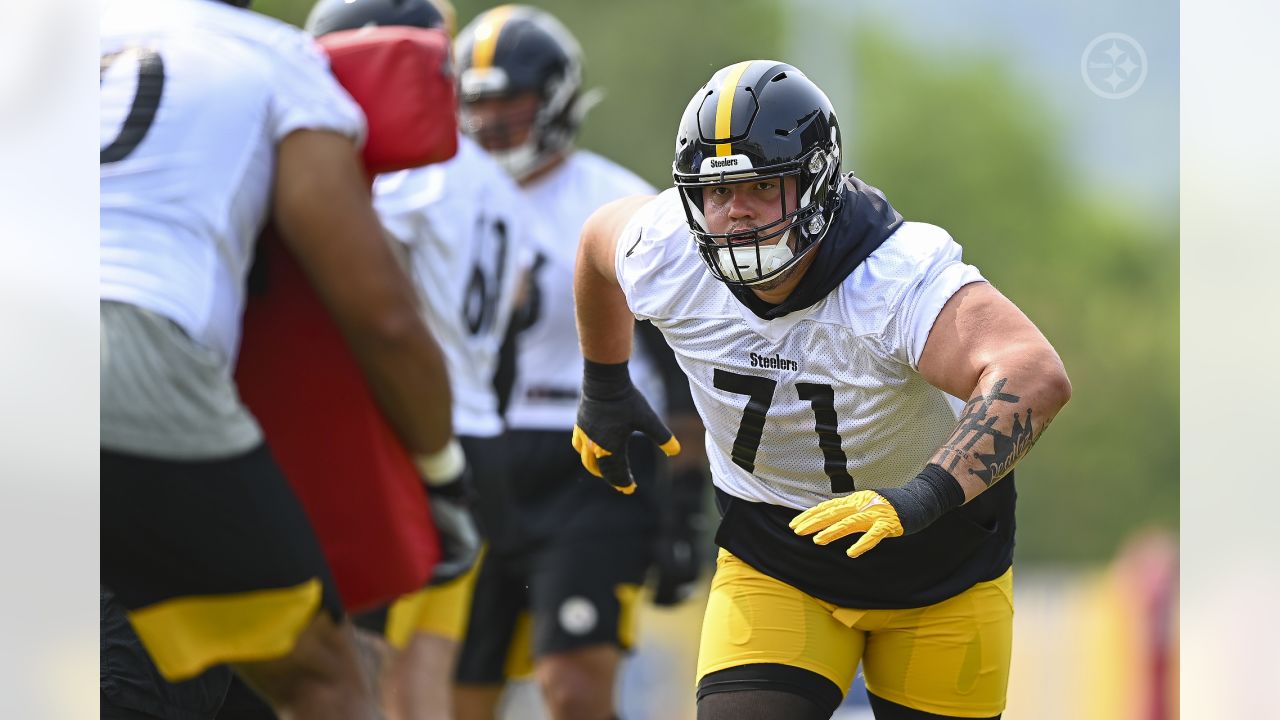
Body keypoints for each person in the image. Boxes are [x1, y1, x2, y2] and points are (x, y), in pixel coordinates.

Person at [571, 60, 1072, 720]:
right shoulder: (666, 249)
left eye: (761, 185)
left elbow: (1034, 372)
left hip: (938, 559)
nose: (736, 212)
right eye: (716, 193)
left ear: (818, 182)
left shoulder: (891, 278)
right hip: (777, 552)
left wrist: (921, 495)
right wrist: (604, 384)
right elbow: (595, 248)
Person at [100, 0, 473, 717]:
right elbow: (383, 317)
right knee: (322, 677)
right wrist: (441, 476)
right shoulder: (274, 59)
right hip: (131, 354)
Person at [449, 6, 706, 719]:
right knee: (450, 700)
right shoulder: (439, 196)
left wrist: (686, 501)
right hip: (471, 460)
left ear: (556, 100)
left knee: (574, 689)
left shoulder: (615, 202)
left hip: (591, 465)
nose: (493, 121)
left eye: (512, 101)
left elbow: (680, 359)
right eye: (477, 103)